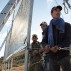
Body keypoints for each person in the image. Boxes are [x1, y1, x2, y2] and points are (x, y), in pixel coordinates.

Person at [48, 5, 71, 71]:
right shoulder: (48, 28)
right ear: (52, 14)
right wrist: (46, 46)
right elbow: (44, 41)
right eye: (56, 10)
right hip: (52, 57)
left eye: (59, 11)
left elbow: (68, 40)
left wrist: (58, 46)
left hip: (64, 56)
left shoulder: (67, 25)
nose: (58, 12)